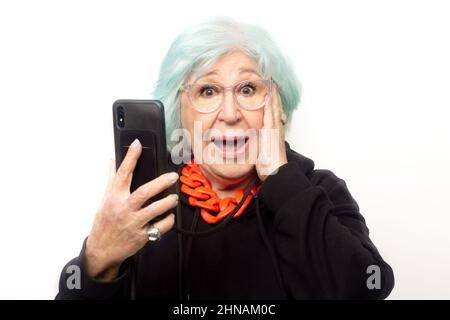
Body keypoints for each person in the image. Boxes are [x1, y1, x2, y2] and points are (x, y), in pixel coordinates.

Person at [56, 17, 394, 300]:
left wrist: (282, 179)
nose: (230, 113)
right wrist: (97, 260)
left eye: (248, 89)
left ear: (277, 106)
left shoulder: (319, 191)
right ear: (180, 112)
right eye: (207, 91)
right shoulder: (145, 202)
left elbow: (367, 286)